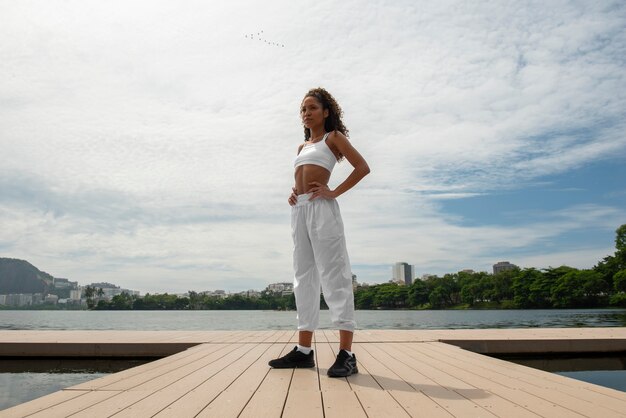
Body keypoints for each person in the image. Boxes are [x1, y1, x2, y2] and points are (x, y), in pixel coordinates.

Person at [268, 87, 370, 377]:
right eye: (302, 109)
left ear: (326, 111)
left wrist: (334, 191)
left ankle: (347, 354)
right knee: (303, 277)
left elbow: (362, 167)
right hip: (299, 210)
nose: (306, 113)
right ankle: (303, 351)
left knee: (334, 275)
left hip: (322, 209)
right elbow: (301, 178)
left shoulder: (333, 138)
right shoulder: (301, 147)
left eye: (312, 107)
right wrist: (293, 194)